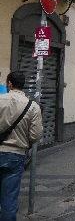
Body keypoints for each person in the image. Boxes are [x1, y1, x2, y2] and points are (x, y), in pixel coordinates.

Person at [0, 71, 43, 220]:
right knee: (9, 199)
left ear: (9, 84)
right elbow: (36, 135)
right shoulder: (33, 107)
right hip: (16, 155)